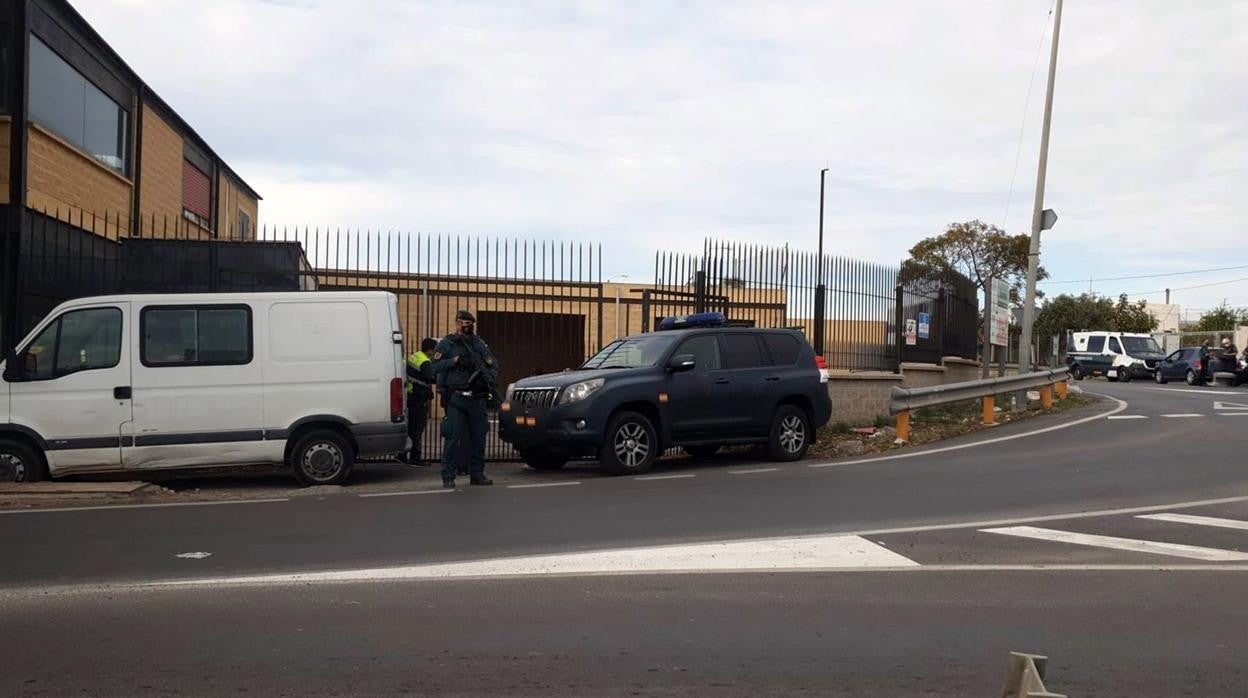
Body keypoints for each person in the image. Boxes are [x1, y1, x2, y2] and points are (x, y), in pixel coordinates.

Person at [430, 310, 500, 488]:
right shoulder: (447, 344)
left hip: (477, 398)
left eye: (470, 324)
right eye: (464, 323)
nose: (467, 327)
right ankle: (448, 476)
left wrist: (487, 378)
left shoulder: (478, 344)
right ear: (457, 323)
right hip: (457, 398)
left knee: (479, 437)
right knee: (453, 437)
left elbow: (493, 364)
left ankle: (477, 474)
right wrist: (455, 361)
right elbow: (434, 366)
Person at [404, 338, 437, 466]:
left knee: (411, 427)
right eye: (435, 350)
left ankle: (402, 455)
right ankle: (415, 458)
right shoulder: (425, 362)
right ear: (429, 351)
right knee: (417, 429)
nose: (436, 353)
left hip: (411, 396)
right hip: (419, 398)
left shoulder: (415, 356)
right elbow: (432, 378)